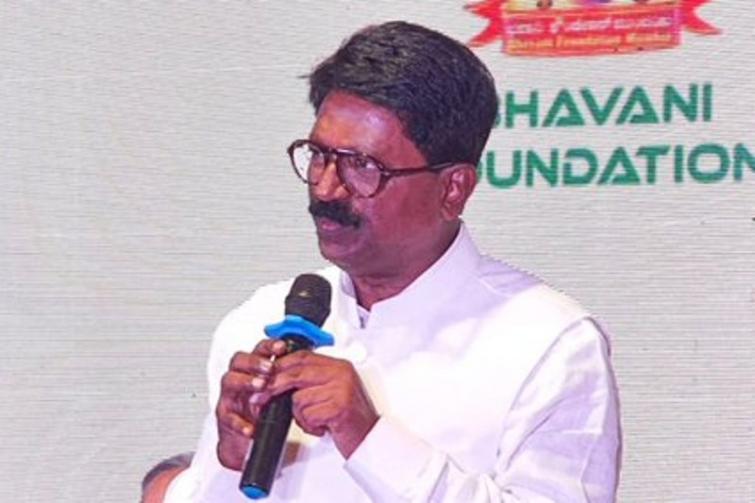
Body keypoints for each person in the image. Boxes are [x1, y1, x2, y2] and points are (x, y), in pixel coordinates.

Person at [161, 21, 621, 502]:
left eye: (363, 166)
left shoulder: (551, 344)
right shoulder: (259, 319)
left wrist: (371, 440)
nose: (326, 188)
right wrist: (228, 461)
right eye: (318, 156)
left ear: (453, 188)